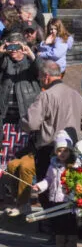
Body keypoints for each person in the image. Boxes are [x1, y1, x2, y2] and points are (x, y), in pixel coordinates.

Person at [22, 60, 82, 240]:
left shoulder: (46, 96)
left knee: (50, 194)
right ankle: (69, 234)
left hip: (50, 149)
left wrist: (22, 123)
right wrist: (78, 127)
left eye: (39, 76)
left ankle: (57, 234)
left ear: (46, 76)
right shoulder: (74, 93)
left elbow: (31, 122)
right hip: (73, 149)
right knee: (70, 191)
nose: (39, 80)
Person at [33, 130, 80, 247]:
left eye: (65, 150)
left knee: (70, 222)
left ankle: (71, 243)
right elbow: (48, 179)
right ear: (55, 151)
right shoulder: (53, 165)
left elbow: (79, 181)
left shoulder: (74, 166)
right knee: (58, 223)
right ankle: (59, 243)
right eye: (59, 150)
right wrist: (39, 186)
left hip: (68, 199)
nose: (62, 153)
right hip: (56, 199)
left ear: (70, 151)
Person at [0, 33, 39, 174]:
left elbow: (42, 71)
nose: (14, 50)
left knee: (22, 155)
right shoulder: (4, 62)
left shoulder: (30, 63)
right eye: (12, 47)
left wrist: (31, 54)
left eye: (17, 47)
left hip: (24, 117)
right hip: (5, 119)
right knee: (5, 157)